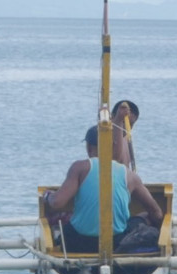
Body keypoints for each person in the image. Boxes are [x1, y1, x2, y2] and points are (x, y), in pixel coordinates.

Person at [44, 124, 163, 253]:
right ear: (113, 146)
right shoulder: (130, 176)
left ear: (89, 147)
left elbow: (57, 202)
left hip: (79, 242)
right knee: (145, 216)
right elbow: (156, 212)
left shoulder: (80, 168)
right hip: (117, 244)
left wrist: (48, 196)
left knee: (67, 226)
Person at [112, 100, 138, 167]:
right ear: (111, 117)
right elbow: (114, 160)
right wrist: (118, 119)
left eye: (130, 124)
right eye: (123, 122)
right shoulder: (106, 140)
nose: (125, 127)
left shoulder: (127, 140)